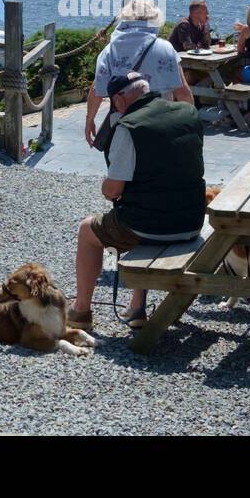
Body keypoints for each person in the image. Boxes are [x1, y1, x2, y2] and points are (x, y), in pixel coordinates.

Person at [68, 71, 206, 331]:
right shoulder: (187, 112)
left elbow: (113, 189)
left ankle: (81, 310)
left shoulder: (129, 127)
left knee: (89, 230)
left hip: (150, 226)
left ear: (120, 99)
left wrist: (106, 187)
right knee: (145, 210)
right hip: (192, 221)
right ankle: (136, 307)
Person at [85, 0, 192, 146]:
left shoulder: (110, 50)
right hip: (161, 123)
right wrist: (191, 123)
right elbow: (183, 92)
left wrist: (89, 120)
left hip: (123, 125)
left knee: (122, 165)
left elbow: (97, 88)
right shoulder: (164, 48)